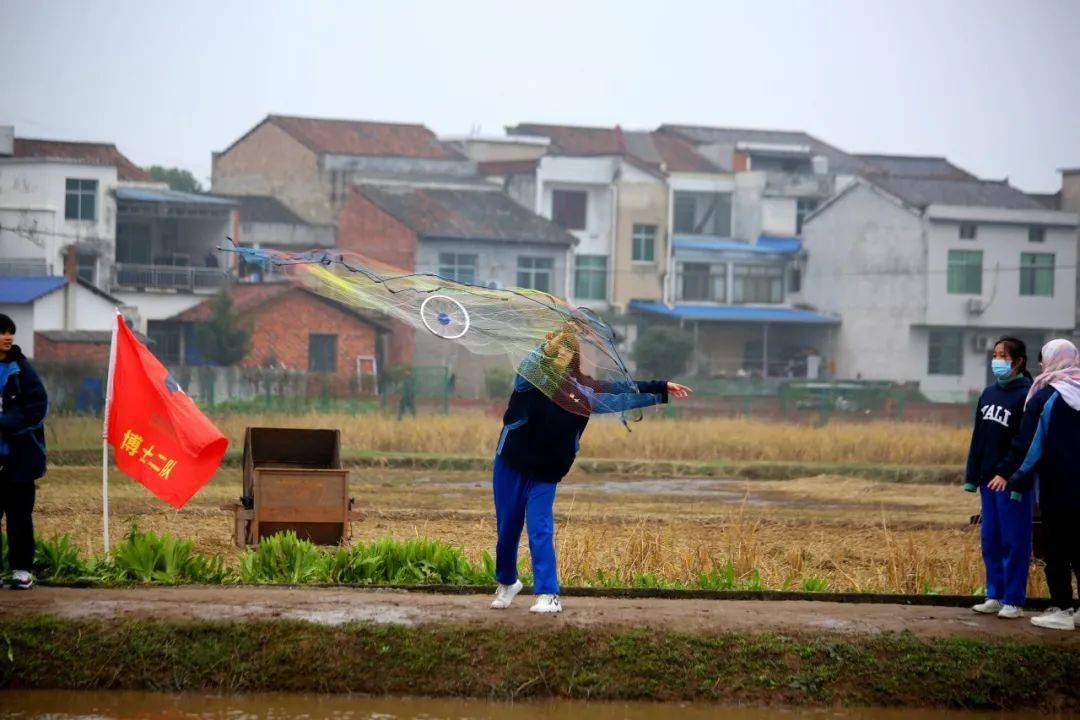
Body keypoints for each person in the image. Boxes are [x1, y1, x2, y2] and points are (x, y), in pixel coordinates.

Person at [489, 328, 691, 614]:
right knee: (507, 528)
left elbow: (623, 392)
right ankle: (508, 583)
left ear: (574, 357)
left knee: (540, 528)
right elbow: (528, 367)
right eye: (556, 351)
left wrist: (660, 388)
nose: (560, 356)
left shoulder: (583, 391)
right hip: (510, 463)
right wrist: (548, 347)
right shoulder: (531, 381)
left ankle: (548, 594)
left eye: (566, 351)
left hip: (546, 471)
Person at [1002, 339, 1080, 631]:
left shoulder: (1046, 397)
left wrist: (1016, 479)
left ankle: (1061, 608)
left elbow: (1031, 445)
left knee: (1057, 548)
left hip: (1058, 486)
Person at [963, 337, 1033, 619]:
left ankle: (1013, 600)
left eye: (1003, 355)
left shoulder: (1027, 395)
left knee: (1014, 541)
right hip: (987, 481)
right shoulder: (989, 393)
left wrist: (1007, 473)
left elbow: (1024, 441)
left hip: (1011, 482)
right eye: (995, 355)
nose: (997, 360)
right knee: (990, 539)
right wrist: (973, 475)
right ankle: (994, 594)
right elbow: (979, 437)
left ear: (1018, 361)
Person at [0, 313, 49, 590]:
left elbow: (36, 408)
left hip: (18, 459)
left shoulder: (22, 370)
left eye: (11, 332)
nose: (8, 337)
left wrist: (5, 424)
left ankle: (21, 570)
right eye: (2, 332)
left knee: (19, 516)